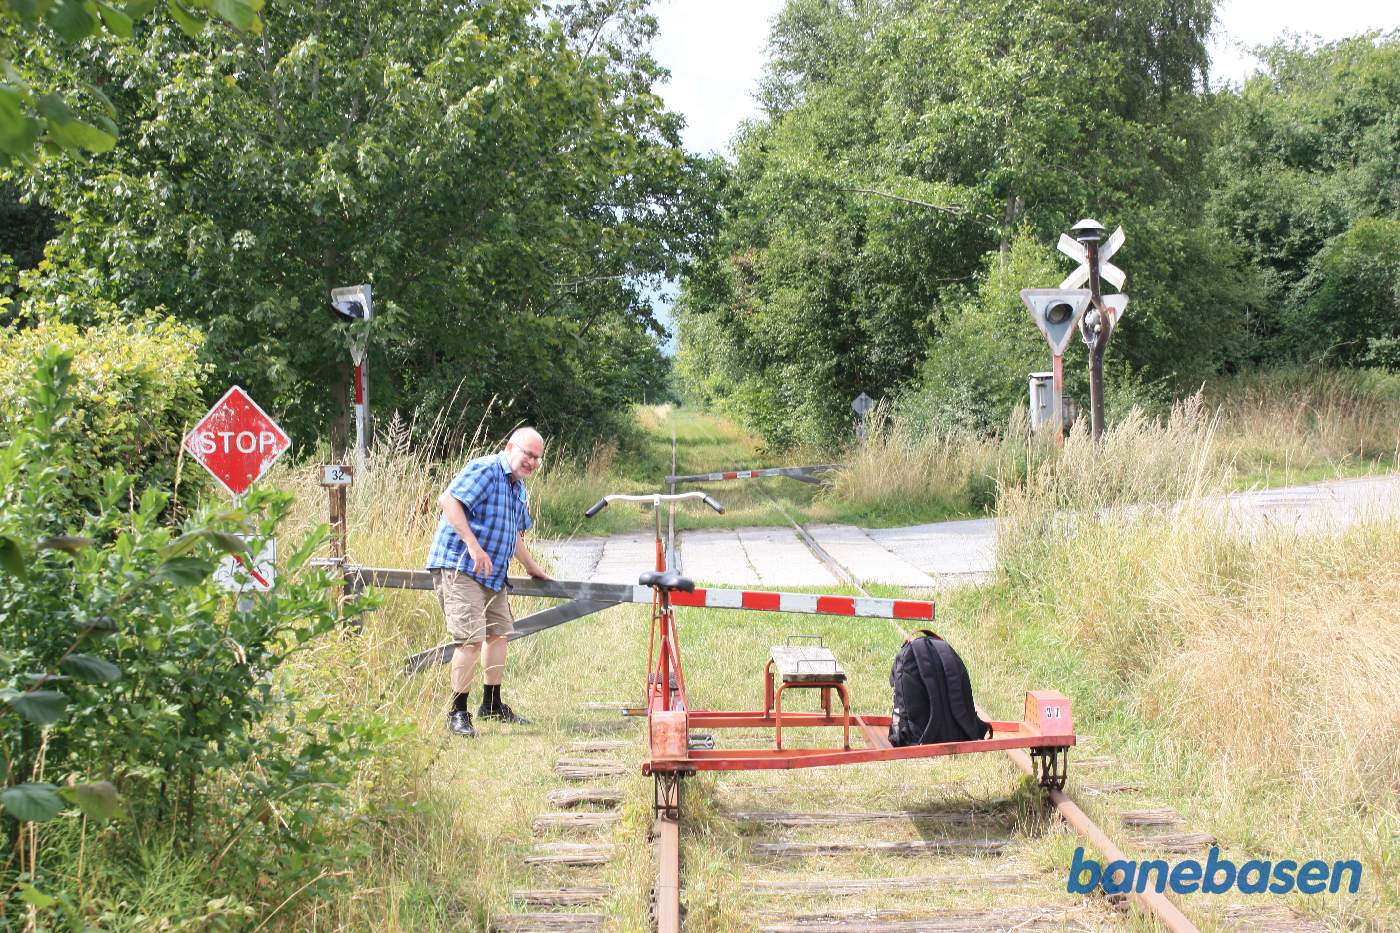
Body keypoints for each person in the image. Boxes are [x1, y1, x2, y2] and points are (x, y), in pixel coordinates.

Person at [426, 427, 553, 738]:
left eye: (537, 458)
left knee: (499, 635)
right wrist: (473, 544)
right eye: (528, 454)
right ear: (510, 447)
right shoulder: (485, 469)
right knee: (469, 640)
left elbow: (514, 535)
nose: (532, 462)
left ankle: (492, 704)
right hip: (461, 567)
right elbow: (448, 501)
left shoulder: (518, 487)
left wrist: (534, 567)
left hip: (493, 574)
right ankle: (458, 712)